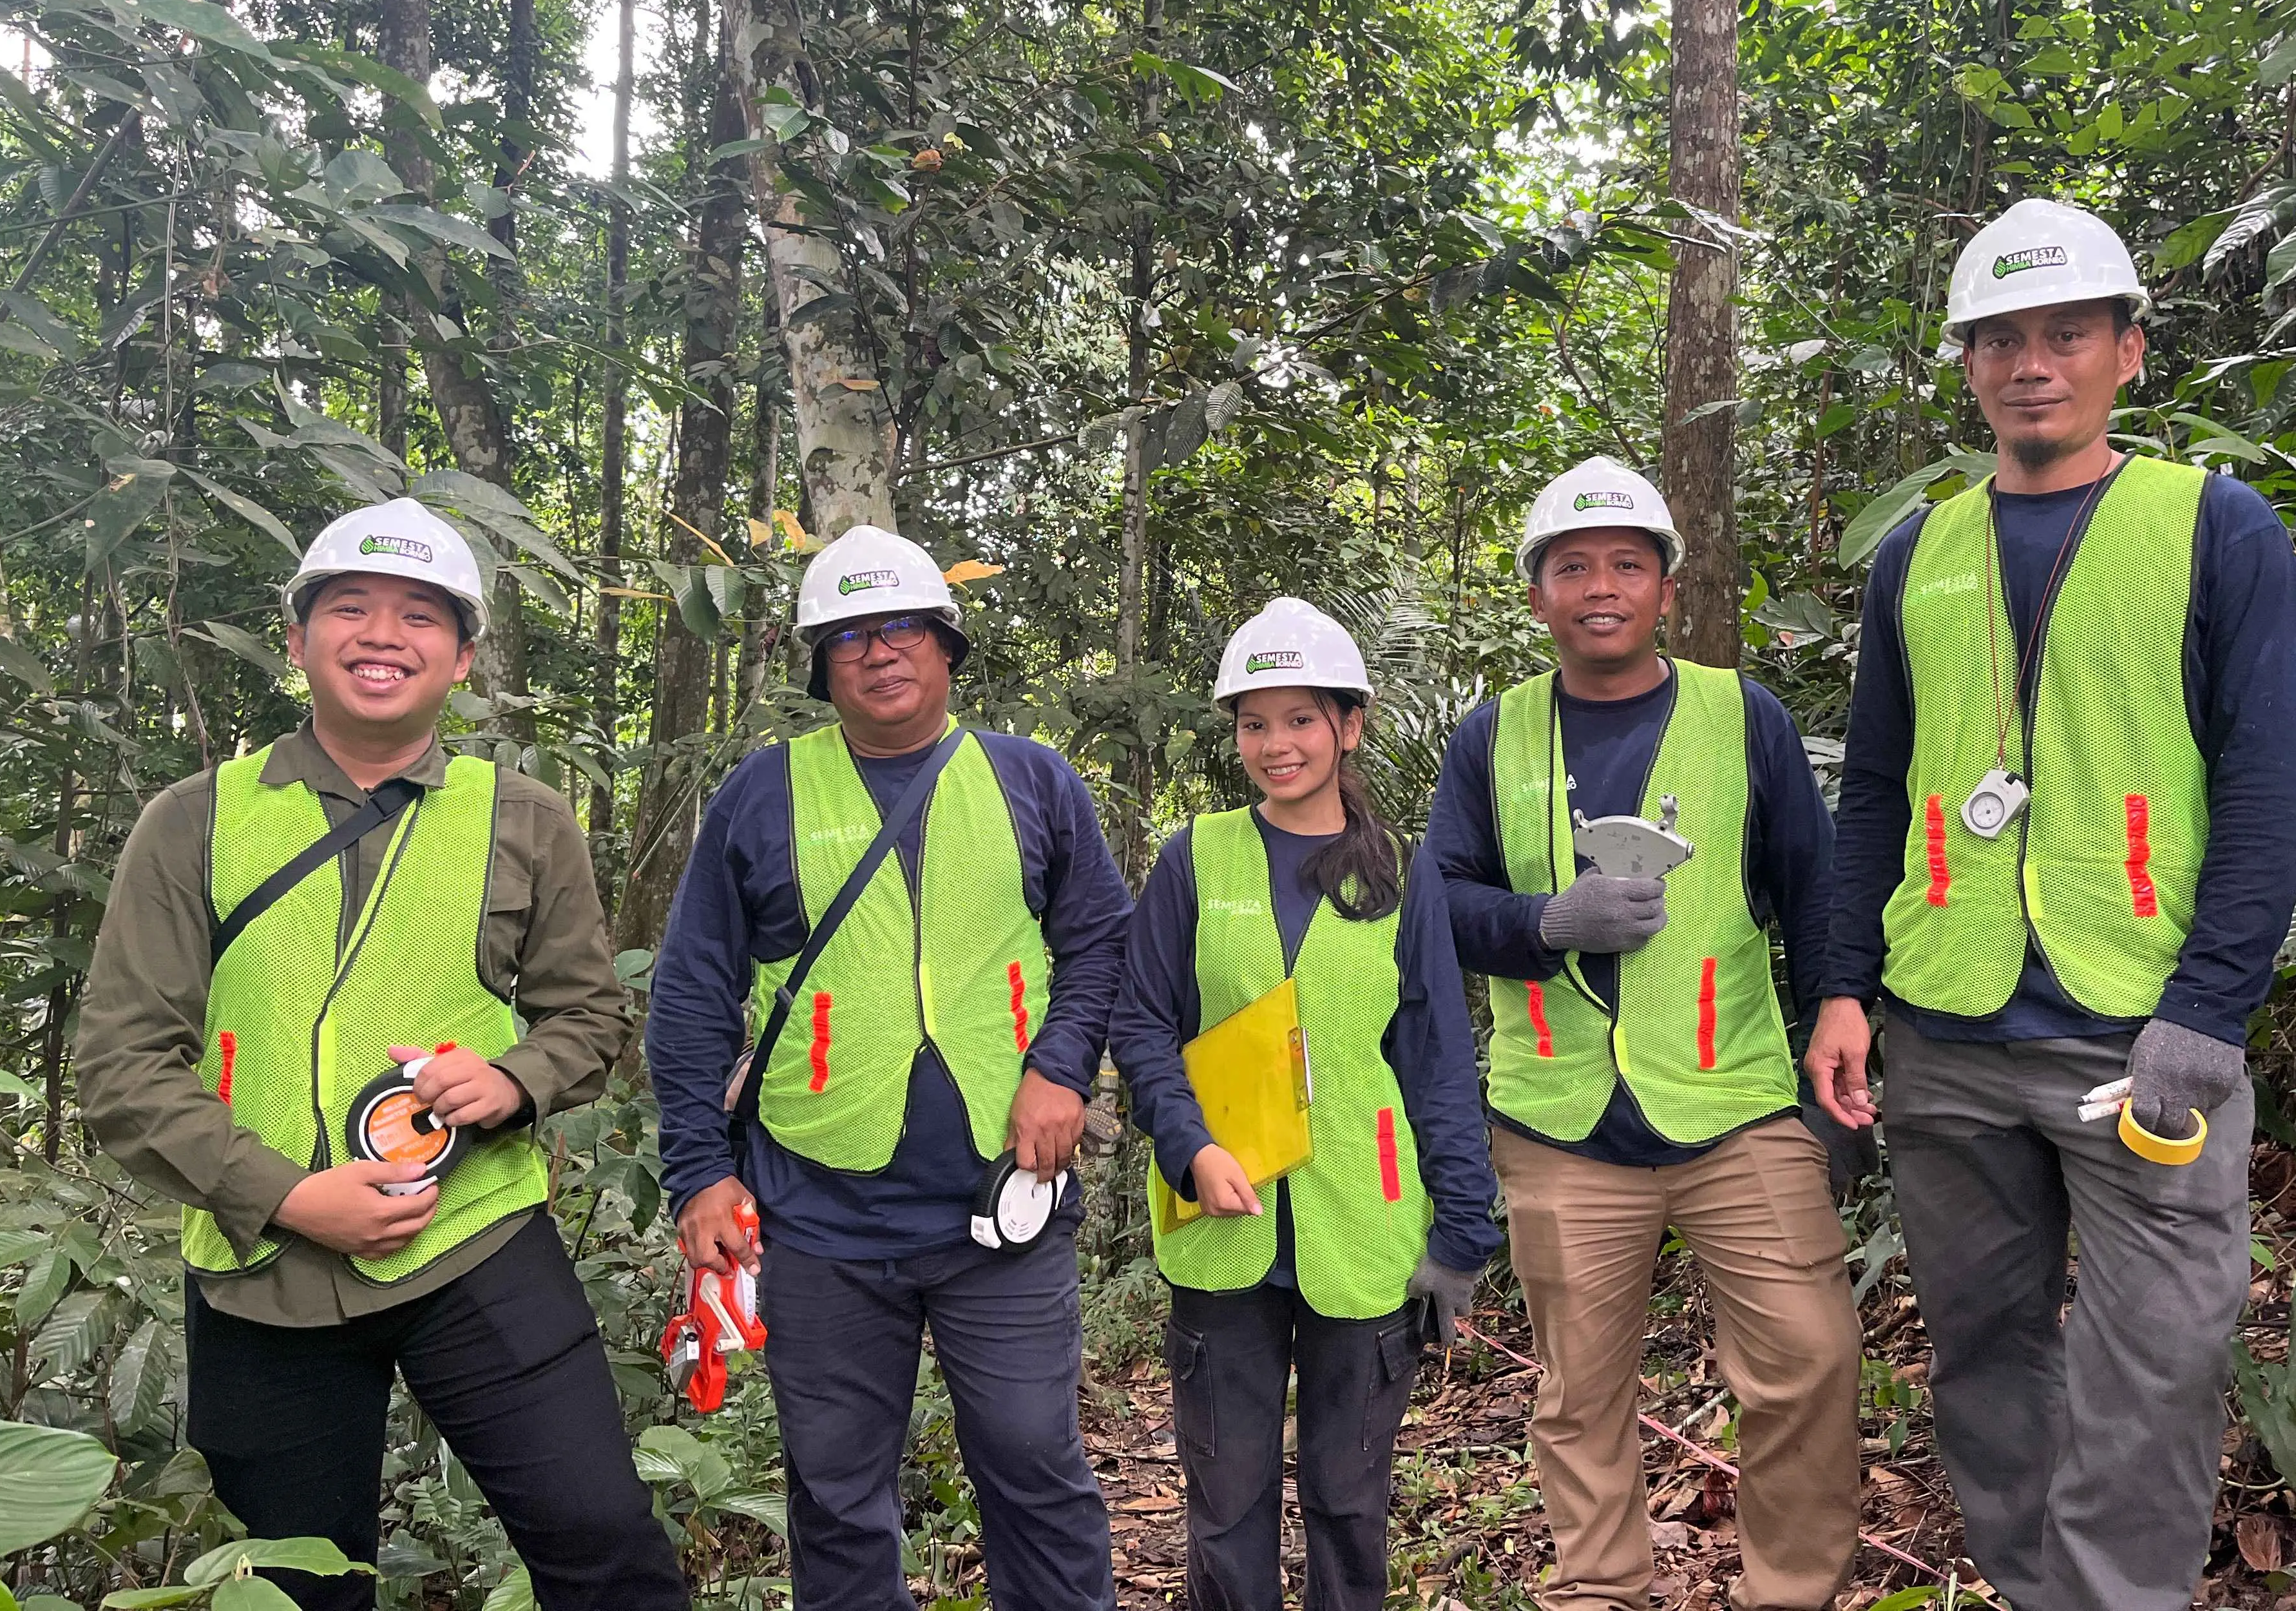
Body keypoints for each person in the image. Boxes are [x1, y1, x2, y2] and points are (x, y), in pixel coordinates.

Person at [1804, 198, 2296, 1611]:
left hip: (2140, 1035)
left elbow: (2278, 785)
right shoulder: (1921, 551)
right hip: (1949, 1031)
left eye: (2065, 335)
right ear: (1969, 365)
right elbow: (1872, 788)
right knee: (1985, 1355)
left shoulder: (2211, 528)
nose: (2031, 365)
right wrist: (1847, 988)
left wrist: (2207, 1011)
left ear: (2127, 353)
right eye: (2001, 341)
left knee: (2155, 1362)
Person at [75, 498, 685, 1611]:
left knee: (607, 1547)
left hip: (476, 1245)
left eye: (419, 616)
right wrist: (288, 1194)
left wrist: (510, 1081)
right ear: (299, 637)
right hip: (267, 1273)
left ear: (461, 658)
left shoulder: (526, 819)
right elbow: (123, 1064)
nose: (381, 635)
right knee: (297, 1587)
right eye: (348, 608)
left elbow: (589, 1017)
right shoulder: (195, 820)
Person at [646, 524, 1129, 1611]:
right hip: (818, 1216)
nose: (880, 652)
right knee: (837, 1490)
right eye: (851, 635)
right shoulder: (761, 795)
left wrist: (1060, 1069)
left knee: (1034, 1468)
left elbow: (1101, 938)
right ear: (822, 665)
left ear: (947, 646)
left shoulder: (1032, 780)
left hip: (999, 1210)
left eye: (903, 626)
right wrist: (697, 1172)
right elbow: (690, 994)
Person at [1426, 457, 1857, 1611]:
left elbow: (1810, 889)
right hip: (1560, 1121)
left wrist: (1838, 1017)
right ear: (1538, 596)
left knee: (1808, 1356)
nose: (1601, 586)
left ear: (1668, 588)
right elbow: (1439, 908)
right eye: (1574, 567)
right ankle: (1599, 1590)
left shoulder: (1741, 715)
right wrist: (1544, 922)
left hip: (1736, 1106)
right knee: (1580, 1390)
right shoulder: (1492, 738)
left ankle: (1791, 1593)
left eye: (1628, 564)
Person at [1111, 599, 1502, 1611]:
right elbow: (1141, 1021)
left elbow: (1436, 1062)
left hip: (1362, 1224)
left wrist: (1462, 1232)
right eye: (1254, 722)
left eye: (1299, 719)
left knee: (1348, 1502)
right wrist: (1187, 1144)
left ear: (1348, 725)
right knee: (1228, 1502)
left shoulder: (1400, 877)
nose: (1275, 744)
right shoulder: (1194, 860)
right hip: (1220, 1227)